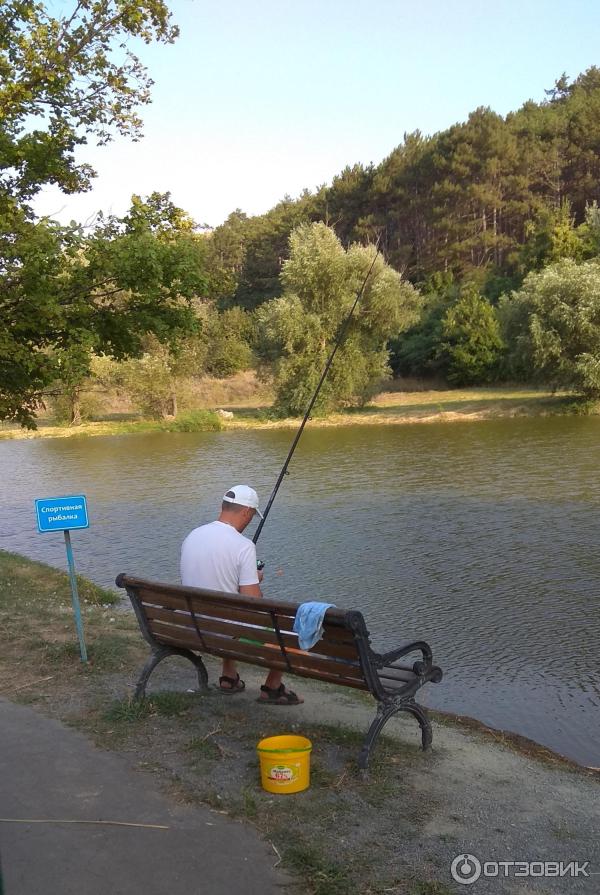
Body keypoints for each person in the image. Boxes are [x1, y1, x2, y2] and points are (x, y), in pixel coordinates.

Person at [180, 484, 303, 705]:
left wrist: (243, 579)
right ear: (246, 512)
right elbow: (254, 604)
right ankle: (273, 687)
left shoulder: (193, 535)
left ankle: (229, 677)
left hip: (194, 626)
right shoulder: (243, 546)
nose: (249, 522)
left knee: (229, 609)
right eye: (251, 516)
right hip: (226, 631)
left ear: (223, 506)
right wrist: (254, 580)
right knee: (290, 624)